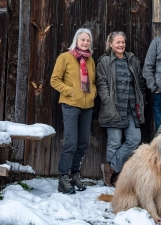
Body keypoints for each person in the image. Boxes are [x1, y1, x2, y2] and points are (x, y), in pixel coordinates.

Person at [96, 31, 146, 187]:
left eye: (123, 42)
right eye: (117, 42)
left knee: (134, 139)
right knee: (114, 142)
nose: (121, 45)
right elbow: (101, 82)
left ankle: (110, 168)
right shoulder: (105, 61)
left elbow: (140, 84)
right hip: (114, 108)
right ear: (111, 44)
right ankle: (113, 179)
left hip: (131, 108)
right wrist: (107, 100)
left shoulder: (133, 61)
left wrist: (142, 99)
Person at [50, 28, 96, 194]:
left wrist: (93, 94)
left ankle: (74, 174)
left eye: (88, 40)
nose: (85, 42)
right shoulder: (65, 57)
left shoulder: (90, 60)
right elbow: (54, 80)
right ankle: (63, 177)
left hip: (87, 107)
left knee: (83, 143)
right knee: (71, 142)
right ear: (76, 40)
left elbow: (93, 82)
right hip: (70, 105)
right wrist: (71, 91)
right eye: (82, 39)